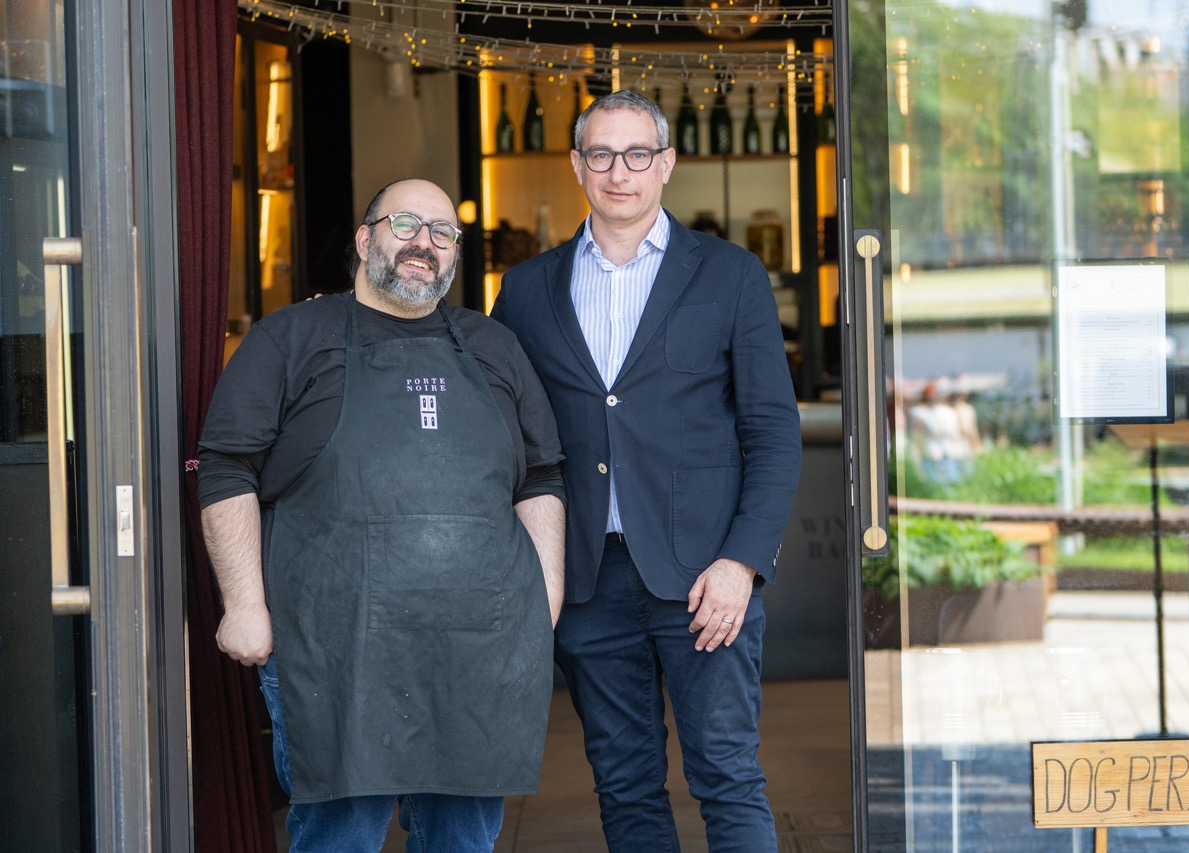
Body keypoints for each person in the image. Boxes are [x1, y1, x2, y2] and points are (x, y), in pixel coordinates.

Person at [197, 178, 566, 852]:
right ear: (365, 240)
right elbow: (227, 468)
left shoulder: (494, 346)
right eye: (405, 224)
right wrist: (244, 603)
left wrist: (545, 596)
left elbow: (540, 476)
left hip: (475, 645)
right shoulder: (290, 337)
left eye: (443, 232)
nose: (425, 242)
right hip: (333, 643)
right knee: (340, 836)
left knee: (462, 839)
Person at [491, 89, 802, 851]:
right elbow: (500, 431)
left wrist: (741, 562)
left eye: (637, 154)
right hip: (587, 580)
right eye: (601, 154)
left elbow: (773, 432)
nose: (619, 172)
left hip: (705, 578)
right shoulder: (527, 289)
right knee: (625, 786)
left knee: (727, 775)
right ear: (577, 165)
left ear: (667, 162)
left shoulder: (730, 274)